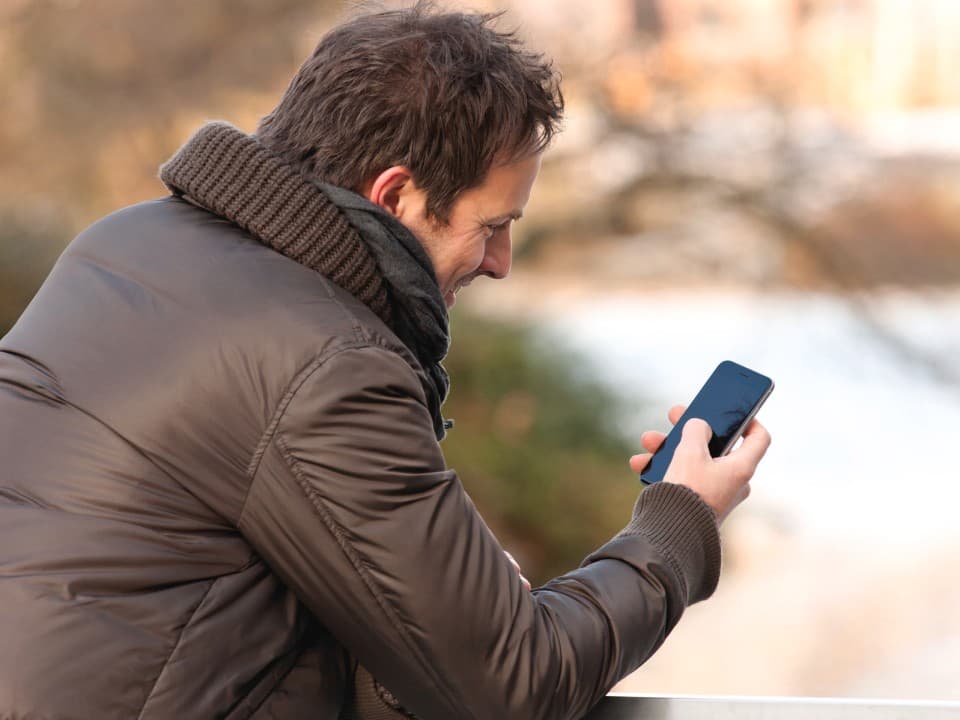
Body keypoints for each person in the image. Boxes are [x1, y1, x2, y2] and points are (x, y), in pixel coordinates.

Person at [0, 4, 770, 719]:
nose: (501, 262)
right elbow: (514, 684)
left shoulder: (126, 245)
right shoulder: (325, 360)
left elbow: (171, 578)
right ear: (395, 194)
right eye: (492, 224)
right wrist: (681, 521)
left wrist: (435, 599)